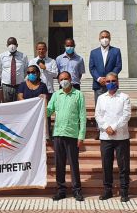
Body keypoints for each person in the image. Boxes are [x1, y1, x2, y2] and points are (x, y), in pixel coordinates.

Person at [47, 71, 86, 202]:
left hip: (72, 134)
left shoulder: (79, 95)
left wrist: (81, 136)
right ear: (58, 81)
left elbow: (82, 117)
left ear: (71, 79)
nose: (64, 81)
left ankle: (77, 190)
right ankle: (61, 190)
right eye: (61, 79)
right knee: (59, 164)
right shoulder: (56, 95)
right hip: (58, 134)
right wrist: (40, 103)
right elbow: (48, 111)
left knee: (74, 164)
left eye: (66, 78)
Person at [95, 72, 131, 202]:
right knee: (106, 165)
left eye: (113, 81)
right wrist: (106, 127)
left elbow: (126, 116)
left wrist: (114, 127)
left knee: (124, 166)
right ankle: (107, 191)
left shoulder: (124, 97)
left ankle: (124, 191)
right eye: (108, 81)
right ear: (105, 83)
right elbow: (98, 115)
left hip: (121, 137)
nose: (111, 83)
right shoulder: (101, 98)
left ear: (118, 82)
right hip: (106, 137)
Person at [29, 42, 58, 137]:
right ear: (36, 50)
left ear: (46, 50)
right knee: (35, 113)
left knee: (47, 113)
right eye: (39, 49)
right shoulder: (32, 61)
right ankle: (35, 134)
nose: (41, 51)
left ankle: (47, 134)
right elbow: (28, 75)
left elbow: (56, 74)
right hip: (35, 90)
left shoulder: (52, 61)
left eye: (43, 49)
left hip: (48, 91)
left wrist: (45, 68)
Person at [89, 30, 122, 106]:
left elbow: (118, 66)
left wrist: (109, 78)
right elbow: (92, 68)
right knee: (99, 106)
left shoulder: (116, 51)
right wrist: (99, 78)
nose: (104, 39)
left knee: (113, 105)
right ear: (99, 39)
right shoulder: (93, 52)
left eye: (106, 37)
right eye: (102, 37)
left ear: (110, 38)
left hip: (112, 84)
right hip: (98, 84)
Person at [0, 37, 28, 102]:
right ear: (7, 45)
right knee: (7, 106)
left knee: (19, 105)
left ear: (17, 45)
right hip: (6, 86)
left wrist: (20, 78)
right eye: (10, 44)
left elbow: (25, 70)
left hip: (19, 85)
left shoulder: (23, 56)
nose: (12, 46)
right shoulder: (1, 56)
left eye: (13, 44)